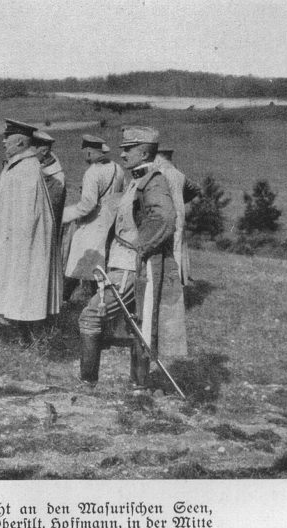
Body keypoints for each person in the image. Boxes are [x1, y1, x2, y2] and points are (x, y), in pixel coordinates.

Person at [77, 126, 187, 389]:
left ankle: (87, 384)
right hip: (121, 262)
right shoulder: (138, 179)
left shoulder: (153, 181)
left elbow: (165, 218)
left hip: (131, 266)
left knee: (91, 317)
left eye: (128, 149)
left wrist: (141, 249)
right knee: (136, 323)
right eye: (123, 148)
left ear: (144, 152)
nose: (122, 153)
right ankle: (138, 385)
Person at [0, 119, 61, 331]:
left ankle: (24, 334)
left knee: (19, 286)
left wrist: (12, 244)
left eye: (8, 139)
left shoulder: (27, 169)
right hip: (0, 235)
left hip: (18, 243)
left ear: (21, 143)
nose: (4, 142)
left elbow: (27, 215)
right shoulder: (17, 165)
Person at [60, 134, 125, 303]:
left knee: (77, 265)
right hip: (110, 222)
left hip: (91, 224)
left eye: (85, 153)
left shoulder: (92, 172)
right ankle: (99, 302)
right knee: (98, 267)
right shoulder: (118, 168)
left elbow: (88, 204)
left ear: (89, 152)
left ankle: (63, 302)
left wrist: (65, 215)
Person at [154, 145, 202, 283]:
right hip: (179, 217)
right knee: (177, 249)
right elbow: (196, 188)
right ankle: (179, 283)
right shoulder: (179, 174)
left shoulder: (159, 173)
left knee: (165, 252)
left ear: (159, 157)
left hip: (164, 217)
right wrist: (181, 200)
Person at [32, 130, 66, 237]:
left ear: (43, 151)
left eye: (33, 149)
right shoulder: (38, 166)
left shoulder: (56, 177)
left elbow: (52, 211)